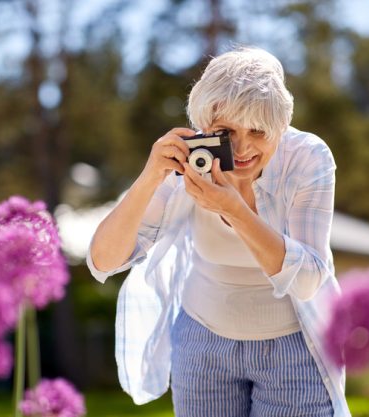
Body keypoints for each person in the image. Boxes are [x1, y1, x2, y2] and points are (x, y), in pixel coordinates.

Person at [87, 45, 350, 417]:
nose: (242, 149)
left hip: (294, 346)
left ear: (280, 127)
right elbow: (102, 261)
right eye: (225, 131)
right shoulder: (194, 159)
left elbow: (309, 279)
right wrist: (151, 176)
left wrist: (233, 209)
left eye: (258, 131)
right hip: (203, 344)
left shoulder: (307, 158)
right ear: (204, 125)